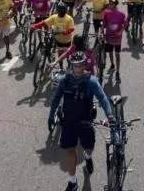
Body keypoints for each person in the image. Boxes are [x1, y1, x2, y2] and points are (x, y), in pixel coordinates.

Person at [48, 51, 115, 191]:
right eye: (74, 66)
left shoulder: (91, 81)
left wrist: (110, 115)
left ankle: (88, 156)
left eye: (80, 66)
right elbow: (55, 98)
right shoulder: (65, 81)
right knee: (69, 150)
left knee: (88, 147)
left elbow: (102, 98)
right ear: (71, 66)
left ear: (84, 65)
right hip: (69, 122)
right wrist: (51, 115)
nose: (77, 69)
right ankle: (73, 182)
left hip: (85, 122)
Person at [100, 1, 126, 82]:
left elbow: (125, 23)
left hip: (117, 38)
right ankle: (112, 64)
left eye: (110, 5)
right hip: (109, 37)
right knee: (110, 52)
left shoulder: (121, 14)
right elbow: (103, 24)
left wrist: (121, 31)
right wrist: (102, 33)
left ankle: (118, 72)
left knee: (117, 55)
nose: (109, 6)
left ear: (115, 5)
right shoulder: (106, 13)